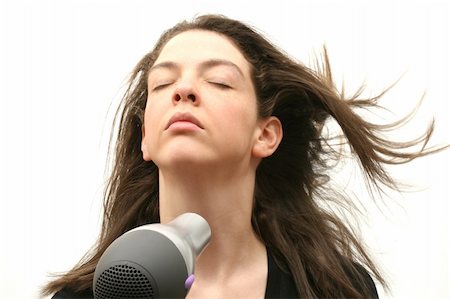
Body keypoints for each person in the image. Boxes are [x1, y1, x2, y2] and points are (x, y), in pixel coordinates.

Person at [43, 14, 442, 298]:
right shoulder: (88, 296)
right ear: (145, 137)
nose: (183, 90)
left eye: (218, 81)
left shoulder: (336, 290)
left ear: (265, 135)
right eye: (163, 83)